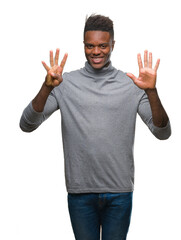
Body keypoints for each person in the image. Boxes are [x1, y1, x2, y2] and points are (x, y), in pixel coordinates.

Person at [20, 14, 171, 240]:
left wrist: (151, 91)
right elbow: (27, 124)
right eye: (90, 46)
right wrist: (46, 87)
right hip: (80, 193)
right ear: (83, 45)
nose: (96, 51)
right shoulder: (64, 83)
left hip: (119, 193)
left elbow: (162, 132)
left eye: (102, 45)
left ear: (112, 45)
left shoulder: (132, 85)